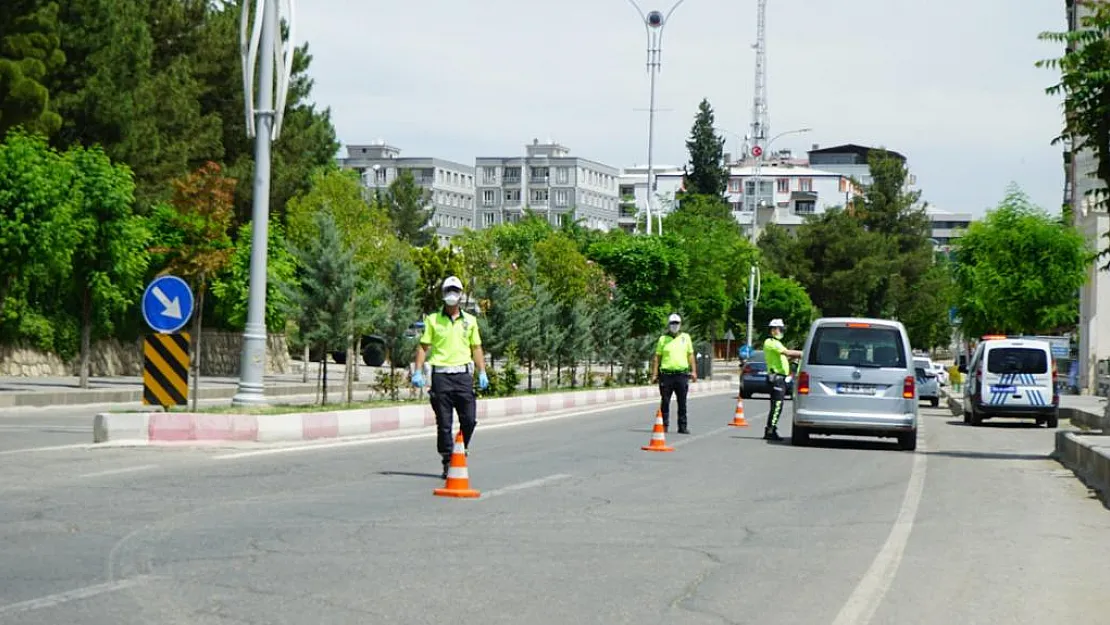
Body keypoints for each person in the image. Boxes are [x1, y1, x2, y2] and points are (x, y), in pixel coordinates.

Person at [411, 276, 489, 478]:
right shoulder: (433, 320)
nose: (452, 295)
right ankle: (448, 460)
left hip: (463, 376)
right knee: (444, 424)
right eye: (448, 291)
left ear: (461, 294)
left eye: (455, 291)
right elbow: (423, 346)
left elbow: (476, 347)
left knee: (469, 419)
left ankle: (461, 448)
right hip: (441, 377)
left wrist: (482, 372)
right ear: (443, 294)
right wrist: (417, 370)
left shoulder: (470, 321)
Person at [650, 313, 698, 434]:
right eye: (672, 323)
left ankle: (682, 426)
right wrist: (654, 374)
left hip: (681, 374)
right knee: (665, 401)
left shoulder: (685, 338)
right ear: (669, 324)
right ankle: (664, 425)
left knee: (682, 402)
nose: (674, 325)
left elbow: (690, 355)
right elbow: (657, 357)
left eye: (676, 323)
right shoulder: (663, 339)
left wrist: (694, 371)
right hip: (666, 375)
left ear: (680, 325)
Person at [763, 318, 802, 441]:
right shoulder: (770, 342)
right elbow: (787, 352)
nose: (781, 331)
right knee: (777, 405)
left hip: (782, 378)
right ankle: (770, 430)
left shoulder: (777, 343)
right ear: (773, 330)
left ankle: (771, 428)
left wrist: (792, 361)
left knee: (778, 405)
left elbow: (784, 358)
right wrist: (803, 353)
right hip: (777, 379)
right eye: (780, 329)